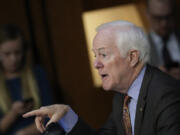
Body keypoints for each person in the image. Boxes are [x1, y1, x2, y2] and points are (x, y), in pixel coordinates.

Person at [23, 20, 180, 135]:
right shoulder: (123, 96)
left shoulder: (167, 95)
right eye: (95, 55)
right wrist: (67, 115)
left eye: (103, 54)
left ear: (132, 57)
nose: (96, 64)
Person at [0, 24, 52, 135]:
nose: (13, 59)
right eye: (7, 54)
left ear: (23, 52)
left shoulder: (37, 74)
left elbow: (51, 115)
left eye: (17, 52)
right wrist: (13, 113)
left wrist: (24, 133)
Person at [146, 0, 180, 79]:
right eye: (158, 18)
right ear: (147, 15)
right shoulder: (138, 48)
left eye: (168, 17)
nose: (164, 23)